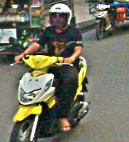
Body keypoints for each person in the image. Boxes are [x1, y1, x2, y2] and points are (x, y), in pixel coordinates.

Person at [14, 3, 83, 132]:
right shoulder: (48, 31)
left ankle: (62, 116)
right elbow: (37, 45)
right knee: (29, 78)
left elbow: (78, 49)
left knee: (70, 81)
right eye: (54, 16)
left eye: (61, 16)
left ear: (67, 18)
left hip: (66, 65)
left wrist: (71, 58)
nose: (57, 19)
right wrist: (23, 54)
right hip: (49, 63)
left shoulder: (74, 32)